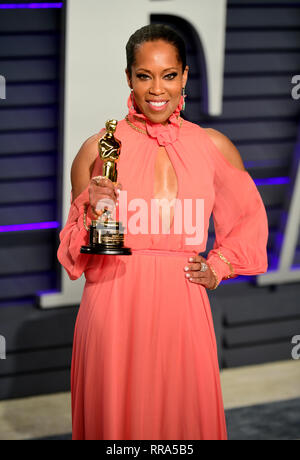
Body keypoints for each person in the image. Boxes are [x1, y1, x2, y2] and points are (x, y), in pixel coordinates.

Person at [58, 24, 269, 440]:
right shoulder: (99, 149)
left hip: (183, 307)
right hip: (113, 304)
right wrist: (92, 211)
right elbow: (74, 251)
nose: (157, 88)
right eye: (144, 75)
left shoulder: (213, 146)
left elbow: (248, 219)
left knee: (183, 425)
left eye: (169, 75)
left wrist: (219, 265)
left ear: (185, 76)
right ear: (129, 78)